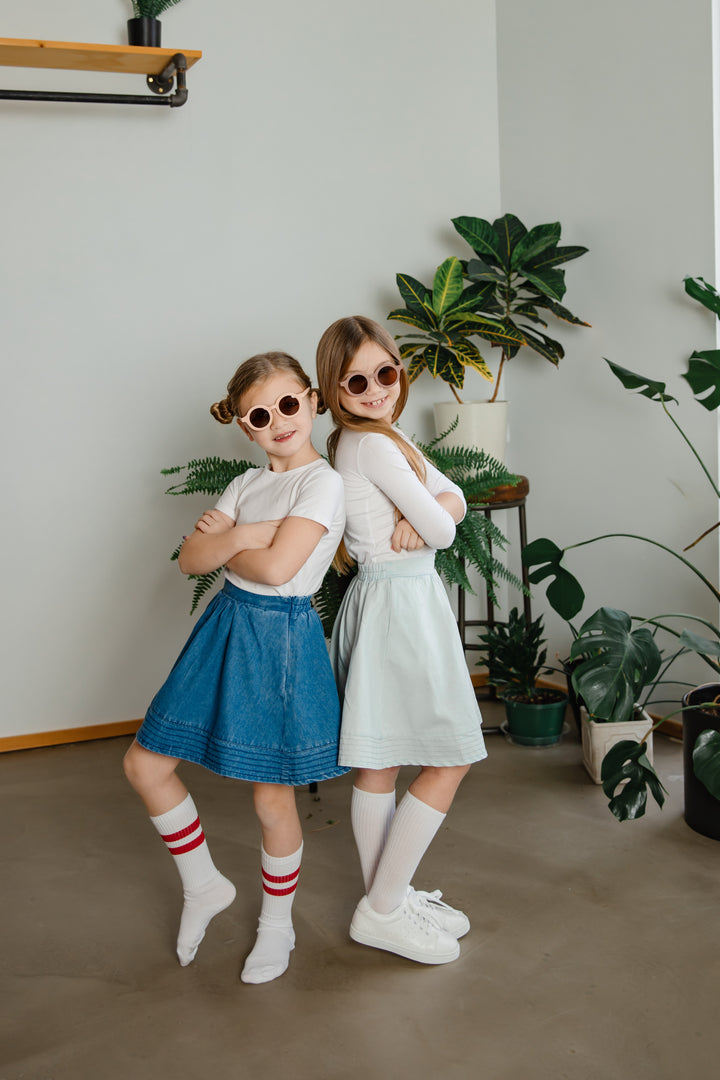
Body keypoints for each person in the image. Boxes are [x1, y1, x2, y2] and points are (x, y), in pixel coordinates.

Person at [123, 351, 348, 985]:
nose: (278, 420)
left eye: (287, 404)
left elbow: (279, 572)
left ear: (310, 399)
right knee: (145, 762)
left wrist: (236, 542)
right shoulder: (248, 485)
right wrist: (257, 535)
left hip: (280, 637)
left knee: (271, 795)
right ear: (244, 427)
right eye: (260, 414)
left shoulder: (320, 483)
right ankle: (204, 886)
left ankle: (278, 924)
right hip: (223, 624)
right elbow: (190, 559)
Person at [315, 316, 487, 965]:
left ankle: (387, 896)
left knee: (381, 762)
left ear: (398, 369)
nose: (374, 389)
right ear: (334, 389)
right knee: (450, 755)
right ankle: (383, 908)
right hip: (399, 604)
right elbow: (445, 528)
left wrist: (438, 508)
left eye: (384, 373)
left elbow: (452, 496)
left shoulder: (377, 437)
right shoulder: (373, 446)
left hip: (390, 600)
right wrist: (438, 516)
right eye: (355, 381)